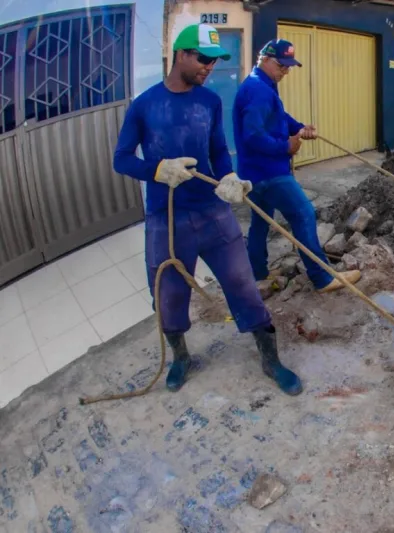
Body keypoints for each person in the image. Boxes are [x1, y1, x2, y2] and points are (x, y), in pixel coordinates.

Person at [113, 24, 302, 396]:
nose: (208, 67)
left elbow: (217, 149)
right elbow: (121, 159)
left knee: (243, 285)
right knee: (168, 294)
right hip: (165, 220)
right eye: (202, 58)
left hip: (213, 213)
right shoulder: (145, 105)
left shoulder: (210, 102)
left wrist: (229, 176)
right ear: (180, 54)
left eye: (214, 61)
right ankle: (181, 357)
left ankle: (270, 358)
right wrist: (156, 170)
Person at [233, 39, 361, 293]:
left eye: (289, 67)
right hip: (269, 172)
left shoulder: (261, 85)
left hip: (252, 173)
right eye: (282, 66)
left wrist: (300, 129)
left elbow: (278, 118)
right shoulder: (259, 90)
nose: (286, 72)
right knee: (303, 213)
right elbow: (253, 135)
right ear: (265, 59)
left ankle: (258, 273)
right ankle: (322, 278)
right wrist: (285, 147)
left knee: (260, 223)